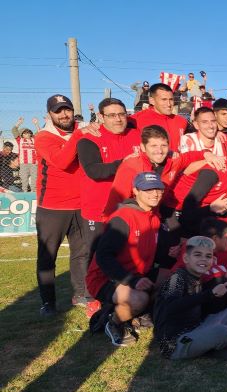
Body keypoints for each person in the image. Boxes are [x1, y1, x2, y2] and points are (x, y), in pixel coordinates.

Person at [34, 94, 98, 316]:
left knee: (81, 253)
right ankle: (48, 302)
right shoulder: (44, 136)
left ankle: (81, 294)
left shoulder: (85, 130)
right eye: (58, 110)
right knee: (47, 255)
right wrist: (80, 134)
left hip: (82, 205)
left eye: (67, 109)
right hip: (52, 207)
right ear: (50, 114)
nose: (64, 114)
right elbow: (61, 162)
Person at [86, 172, 163, 346]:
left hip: (136, 274)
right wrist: (132, 280)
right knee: (139, 299)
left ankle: (135, 314)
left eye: (158, 188)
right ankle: (112, 322)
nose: (155, 193)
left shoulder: (154, 218)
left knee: (174, 279)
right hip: (105, 277)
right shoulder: (123, 217)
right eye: (148, 189)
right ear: (136, 191)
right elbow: (104, 257)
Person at [153, 236, 227, 361]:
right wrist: (210, 294)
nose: (203, 259)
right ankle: (220, 347)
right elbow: (170, 308)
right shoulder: (176, 278)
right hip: (177, 342)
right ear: (186, 258)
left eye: (208, 256)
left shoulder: (196, 278)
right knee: (224, 331)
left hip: (197, 329)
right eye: (197, 255)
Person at [77, 98, 141, 287]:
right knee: (96, 254)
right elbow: (94, 171)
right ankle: (92, 295)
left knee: (128, 252)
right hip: (99, 209)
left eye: (122, 114)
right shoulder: (89, 139)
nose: (118, 119)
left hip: (130, 208)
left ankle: (124, 290)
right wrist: (124, 163)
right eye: (112, 115)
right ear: (101, 117)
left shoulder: (137, 135)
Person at [131, 83, 190, 151]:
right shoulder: (135, 120)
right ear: (152, 101)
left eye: (171, 99)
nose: (168, 104)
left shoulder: (181, 121)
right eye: (164, 99)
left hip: (179, 161)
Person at [12, 117, 37, 192]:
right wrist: (19, 123)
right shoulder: (20, 140)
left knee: (34, 179)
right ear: (22, 134)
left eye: (29, 132)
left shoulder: (34, 139)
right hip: (24, 163)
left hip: (34, 163)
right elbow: (14, 130)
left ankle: (34, 193)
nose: (27, 134)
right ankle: (25, 193)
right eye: (25, 133)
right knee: (24, 179)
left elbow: (40, 132)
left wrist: (36, 124)